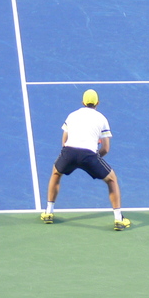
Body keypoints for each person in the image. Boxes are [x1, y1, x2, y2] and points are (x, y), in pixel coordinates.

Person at [40, 89, 132, 230]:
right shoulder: (102, 118)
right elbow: (106, 148)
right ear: (97, 103)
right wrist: (93, 159)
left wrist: (69, 156)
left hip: (69, 152)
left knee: (56, 173)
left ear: (83, 102)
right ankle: (119, 220)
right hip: (89, 156)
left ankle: (48, 213)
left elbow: (64, 141)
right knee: (112, 180)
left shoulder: (72, 115)